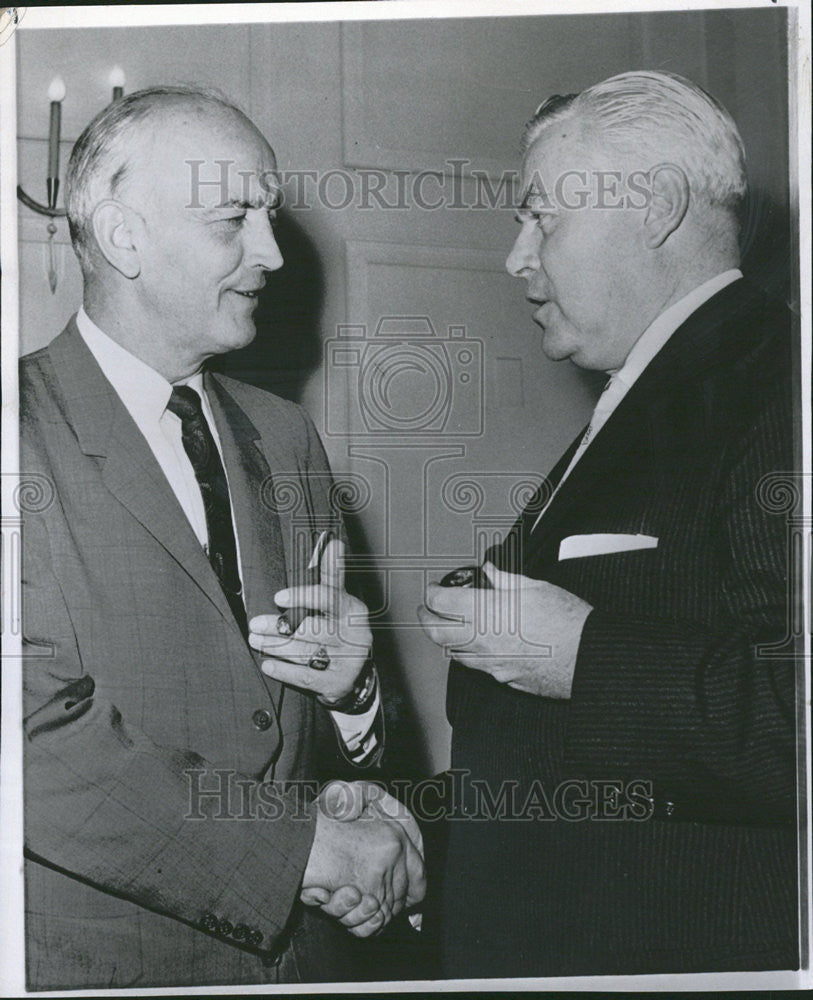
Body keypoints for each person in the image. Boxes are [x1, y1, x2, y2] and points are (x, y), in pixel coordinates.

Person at [20, 86, 424, 991]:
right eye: (232, 219)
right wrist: (307, 853)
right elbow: (32, 742)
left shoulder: (285, 438)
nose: (273, 254)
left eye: (270, 217)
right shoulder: (18, 431)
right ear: (124, 237)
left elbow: (302, 733)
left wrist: (356, 702)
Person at [419, 71, 798, 976]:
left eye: (542, 217)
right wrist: (408, 824)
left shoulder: (778, 381)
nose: (515, 257)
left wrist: (581, 658)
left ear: (657, 206)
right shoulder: (652, 391)